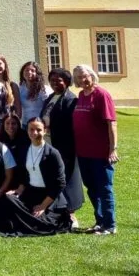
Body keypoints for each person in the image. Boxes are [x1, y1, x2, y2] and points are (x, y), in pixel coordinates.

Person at [1, 117, 71, 237]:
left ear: (45, 131)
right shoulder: (25, 149)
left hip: (49, 198)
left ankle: (29, 220)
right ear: (27, 131)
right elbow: (25, 174)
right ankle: (28, 220)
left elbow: (60, 183)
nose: (34, 133)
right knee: (9, 199)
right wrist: (19, 190)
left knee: (45, 222)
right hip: (31, 193)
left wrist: (43, 206)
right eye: (31, 129)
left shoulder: (53, 153)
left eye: (38, 130)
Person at [72, 64, 119, 235]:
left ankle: (110, 225)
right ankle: (100, 221)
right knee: (92, 188)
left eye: (85, 76)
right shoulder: (81, 95)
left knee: (104, 188)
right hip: (83, 152)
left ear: (92, 76)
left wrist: (113, 149)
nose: (82, 80)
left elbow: (111, 124)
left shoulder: (101, 95)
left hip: (100, 152)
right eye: (79, 77)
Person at [42, 67, 85, 225]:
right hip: (49, 144)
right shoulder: (51, 97)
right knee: (53, 178)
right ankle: (56, 210)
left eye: (58, 80)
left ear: (67, 82)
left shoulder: (70, 99)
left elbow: (71, 125)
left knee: (67, 180)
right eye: (52, 80)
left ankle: (71, 214)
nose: (54, 83)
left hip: (64, 146)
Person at [18, 61, 51, 126]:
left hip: (40, 124)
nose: (29, 72)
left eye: (32, 70)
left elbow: (49, 108)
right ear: (22, 72)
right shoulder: (20, 89)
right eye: (27, 70)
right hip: (25, 124)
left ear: (37, 73)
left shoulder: (43, 89)